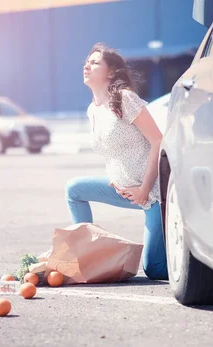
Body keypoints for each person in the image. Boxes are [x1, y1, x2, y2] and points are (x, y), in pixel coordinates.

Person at [65, 43, 168, 280]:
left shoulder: (125, 98)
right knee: (74, 189)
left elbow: (158, 141)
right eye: (86, 62)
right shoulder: (93, 109)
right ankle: (85, 255)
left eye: (95, 62)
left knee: (155, 269)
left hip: (153, 193)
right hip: (123, 189)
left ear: (111, 72)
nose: (87, 65)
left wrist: (144, 189)